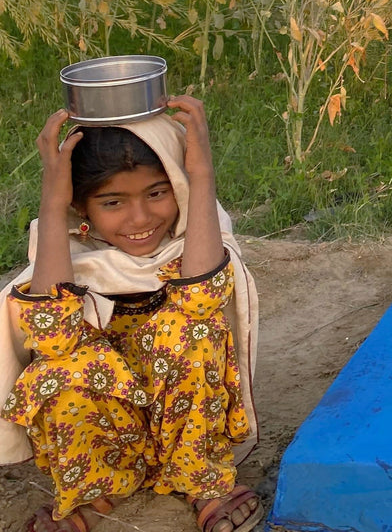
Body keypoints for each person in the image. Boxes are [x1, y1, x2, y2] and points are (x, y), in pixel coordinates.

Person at [0, 96, 260, 532]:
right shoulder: (66, 252)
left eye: (158, 193)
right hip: (110, 430)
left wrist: (200, 174)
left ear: (176, 188)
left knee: (193, 332)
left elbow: (201, 302)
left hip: (183, 426)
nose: (140, 218)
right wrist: (52, 198)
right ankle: (93, 487)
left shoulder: (195, 239)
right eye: (112, 202)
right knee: (59, 367)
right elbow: (52, 339)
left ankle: (200, 481)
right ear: (81, 208)